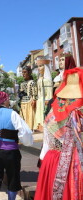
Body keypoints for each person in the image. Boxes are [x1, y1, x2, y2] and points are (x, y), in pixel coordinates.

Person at [35, 67, 83, 200]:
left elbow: (45, 145)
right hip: (74, 165)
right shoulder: (79, 113)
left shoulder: (51, 112)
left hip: (51, 161)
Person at [0, 91, 33, 200]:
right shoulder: (12, 113)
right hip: (10, 153)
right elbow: (25, 132)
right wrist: (27, 142)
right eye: (8, 99)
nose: (9, 101)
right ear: (4, 101)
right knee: (13, 178)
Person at [34, 57, 53, 131]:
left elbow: (49, 91)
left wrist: (48, 99)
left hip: (45, 100)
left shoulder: (47, 79)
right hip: (40, 100)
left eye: (41, 66)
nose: (39, 68)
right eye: (38, 66)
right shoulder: (39, 79)